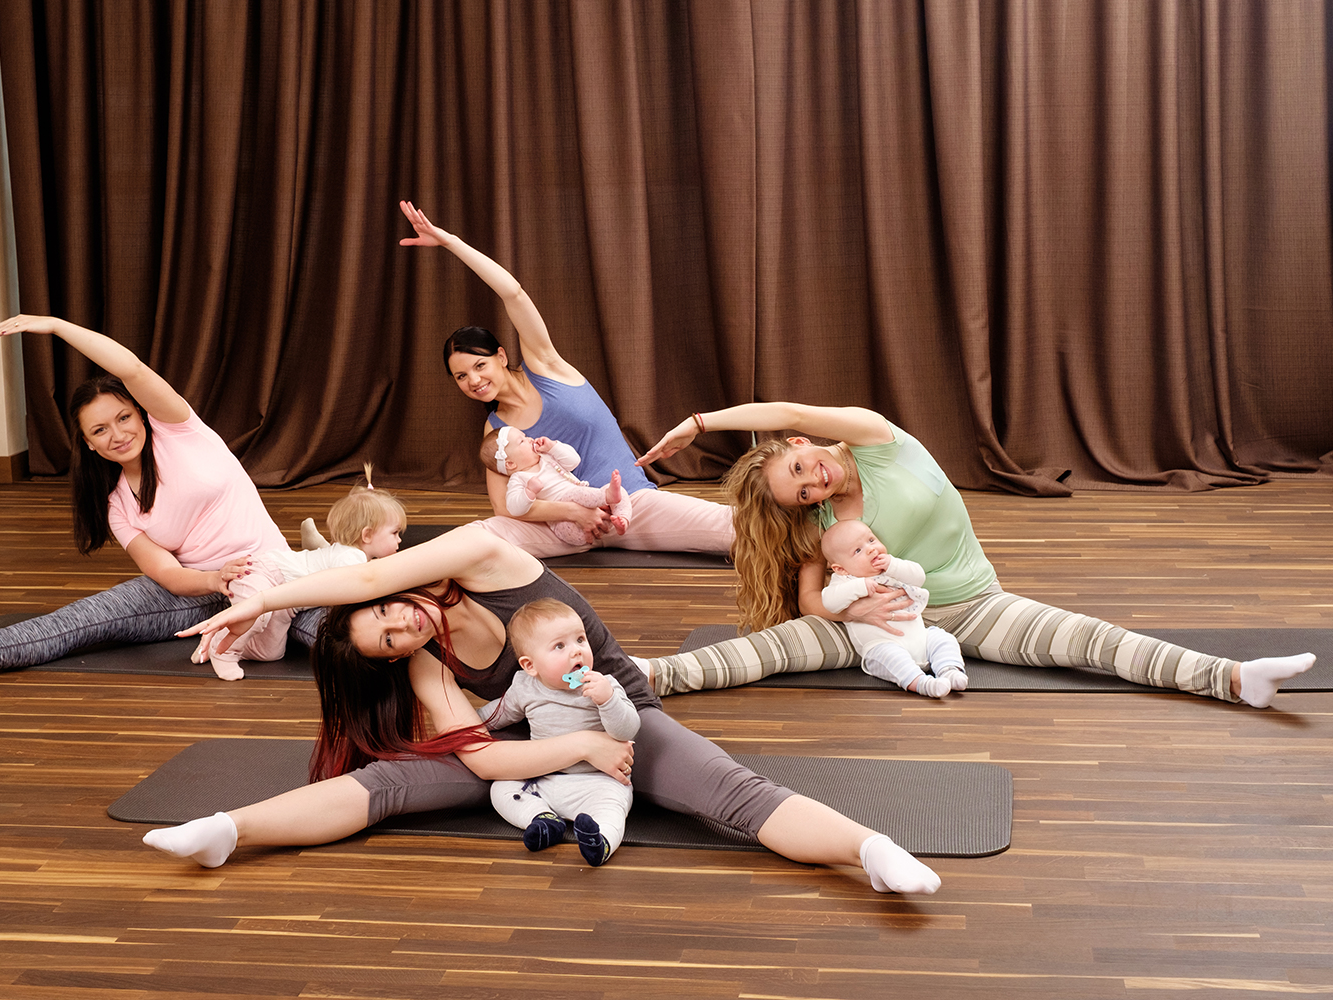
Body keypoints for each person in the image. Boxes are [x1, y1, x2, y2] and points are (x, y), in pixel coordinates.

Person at [142, 527, 942, 895]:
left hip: (617, 713)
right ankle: (228, 831)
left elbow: (351, 587)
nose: (403, 630)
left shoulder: (487, 556)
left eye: (390, 617)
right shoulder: (423, 660)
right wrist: (575, 758)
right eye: (388, 646)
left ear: (386, 591)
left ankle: (870, 852)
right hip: (529, 745)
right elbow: (486, 758)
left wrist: (257, 604)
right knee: (388, 784)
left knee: (728, 792)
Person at [636, 402, 1316, 707]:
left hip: (974, 606)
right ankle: (651, 676)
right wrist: (849, 608)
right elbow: (812, 595)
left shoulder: (878, 439)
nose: (813, 484)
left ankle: (1233, 678)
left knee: (1092, 641)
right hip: (874, 628)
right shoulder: (819, 523)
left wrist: (700, 424)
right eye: (800, 493)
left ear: (799, 444)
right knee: (775, 647)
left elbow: (784, 404)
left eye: (803, 470)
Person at [0, 315, 324, 685]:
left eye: (123, 417)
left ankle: (332, 560)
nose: (118, 435)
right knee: (90, 617)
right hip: (201, 588)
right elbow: (169, 574)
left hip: (271, 574)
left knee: (332, 636)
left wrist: (56, 327)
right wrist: (214, 582)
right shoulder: (116, 504)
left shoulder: (181, 431)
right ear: (89, 445)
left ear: (140, 414)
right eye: (100, 431)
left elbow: (130, 369)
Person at [399, 200, 733, 558]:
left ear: (501, 356)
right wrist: (575, 512)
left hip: (633, 506)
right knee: (480, 538)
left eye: (479, 366)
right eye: (461, 377)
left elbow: (513, 293)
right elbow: (504, 508)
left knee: (736, 527)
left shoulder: (546, 367)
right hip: (566, 527)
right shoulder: (496, 431)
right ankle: (369, 571)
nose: (473, 381)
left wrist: (450, 242)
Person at [485, 598, 638, 867]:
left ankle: (599, 842)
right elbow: (499, 715)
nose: (576, 652)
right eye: (559, 646)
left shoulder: (604, 685)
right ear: (530, 666)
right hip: (544, 779)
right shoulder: (524, 687)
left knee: (614, 805)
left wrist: (608, 700)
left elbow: (628, 729)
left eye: (580, 640)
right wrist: (464, 726)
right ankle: (542, 819)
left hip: (597, 782)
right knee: (501, 788)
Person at [820, 520, 967, 698]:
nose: (870, 549)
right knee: (892, 659)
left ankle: (949, 670)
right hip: (882, 646)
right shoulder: (845, 581)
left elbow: (918, 577)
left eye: (871, 540)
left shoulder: (890, 568)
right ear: (840, 569)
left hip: (921, 639)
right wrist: (860, 586)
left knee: (943, 638)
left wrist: (893, 565)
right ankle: (922, 683)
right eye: (858, 551)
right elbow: (830, 602)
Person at [479, 426, 632, 547]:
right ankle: (606, 496)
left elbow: (574, 461)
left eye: (525, 436)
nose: (529, 439)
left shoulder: (546, 457)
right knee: (578, 494)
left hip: (592, 507)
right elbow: (513, 508)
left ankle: (622, 519)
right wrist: (529, 493)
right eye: (522, 441)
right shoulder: (519, 479)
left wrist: (553, 447)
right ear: (511, 463)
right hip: (567, 526)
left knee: (619, 491)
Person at [269, 466, 407, 583]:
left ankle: (316, 545)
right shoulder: (350, 560)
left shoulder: (351, 554)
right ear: (367, 535)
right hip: (275, 574)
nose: (399, 539)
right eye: (394, 533)